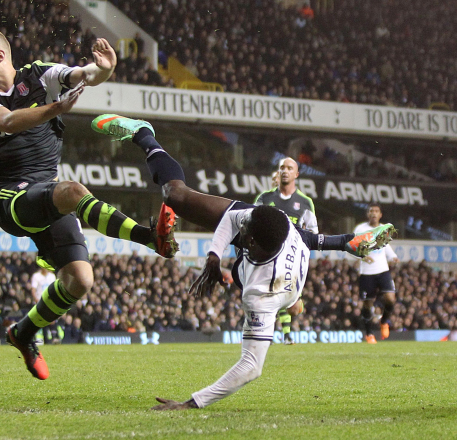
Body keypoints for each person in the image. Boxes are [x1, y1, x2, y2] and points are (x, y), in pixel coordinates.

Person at [91, 114, 396, 409]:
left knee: (241, 276)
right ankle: (143, 134)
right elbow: (238, 220)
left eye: (245, 236)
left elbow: (251, 366)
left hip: (269, 277)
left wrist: (192, 402)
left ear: (252, 245)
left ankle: (338, 249)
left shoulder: (260, 296)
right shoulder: (278, 225)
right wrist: (213, 254)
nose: (242, 233)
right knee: (174, 195)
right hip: (272, 249)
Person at [0, 30, 177, 380]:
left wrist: (104, 70)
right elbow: (7, 122)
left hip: (45, 191)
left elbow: (83, 75)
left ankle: (23, 333)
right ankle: (149, 237)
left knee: (79, 280)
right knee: (72, 191)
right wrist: (56, 109)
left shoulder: (39, 75)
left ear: (0, 55)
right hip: (10, 198)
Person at [255, 157, 317, 345]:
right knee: (267, 299)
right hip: (268, 258)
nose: (284, 171)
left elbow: (313, 233)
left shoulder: (305, 202)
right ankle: (268, 334)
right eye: (282, 167)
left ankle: (285, 328)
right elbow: (252, 223)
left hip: (291, 260)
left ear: (296, 174)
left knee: (293, 308)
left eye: (289, 168)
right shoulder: (264, 199)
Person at [354, 203, 399, 344]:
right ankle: (369, 334)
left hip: (383, 270)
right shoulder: (361, 229)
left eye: (376, 211)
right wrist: (363, 256)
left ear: (380, 215)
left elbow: (386, 246)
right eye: (371, 211)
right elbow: (352, 246)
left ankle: (384, 321)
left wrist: (393, 257)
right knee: (367, 304)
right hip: (367, 273)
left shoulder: (384, 229)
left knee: (391, 299)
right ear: (368, 214)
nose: (373, 213)